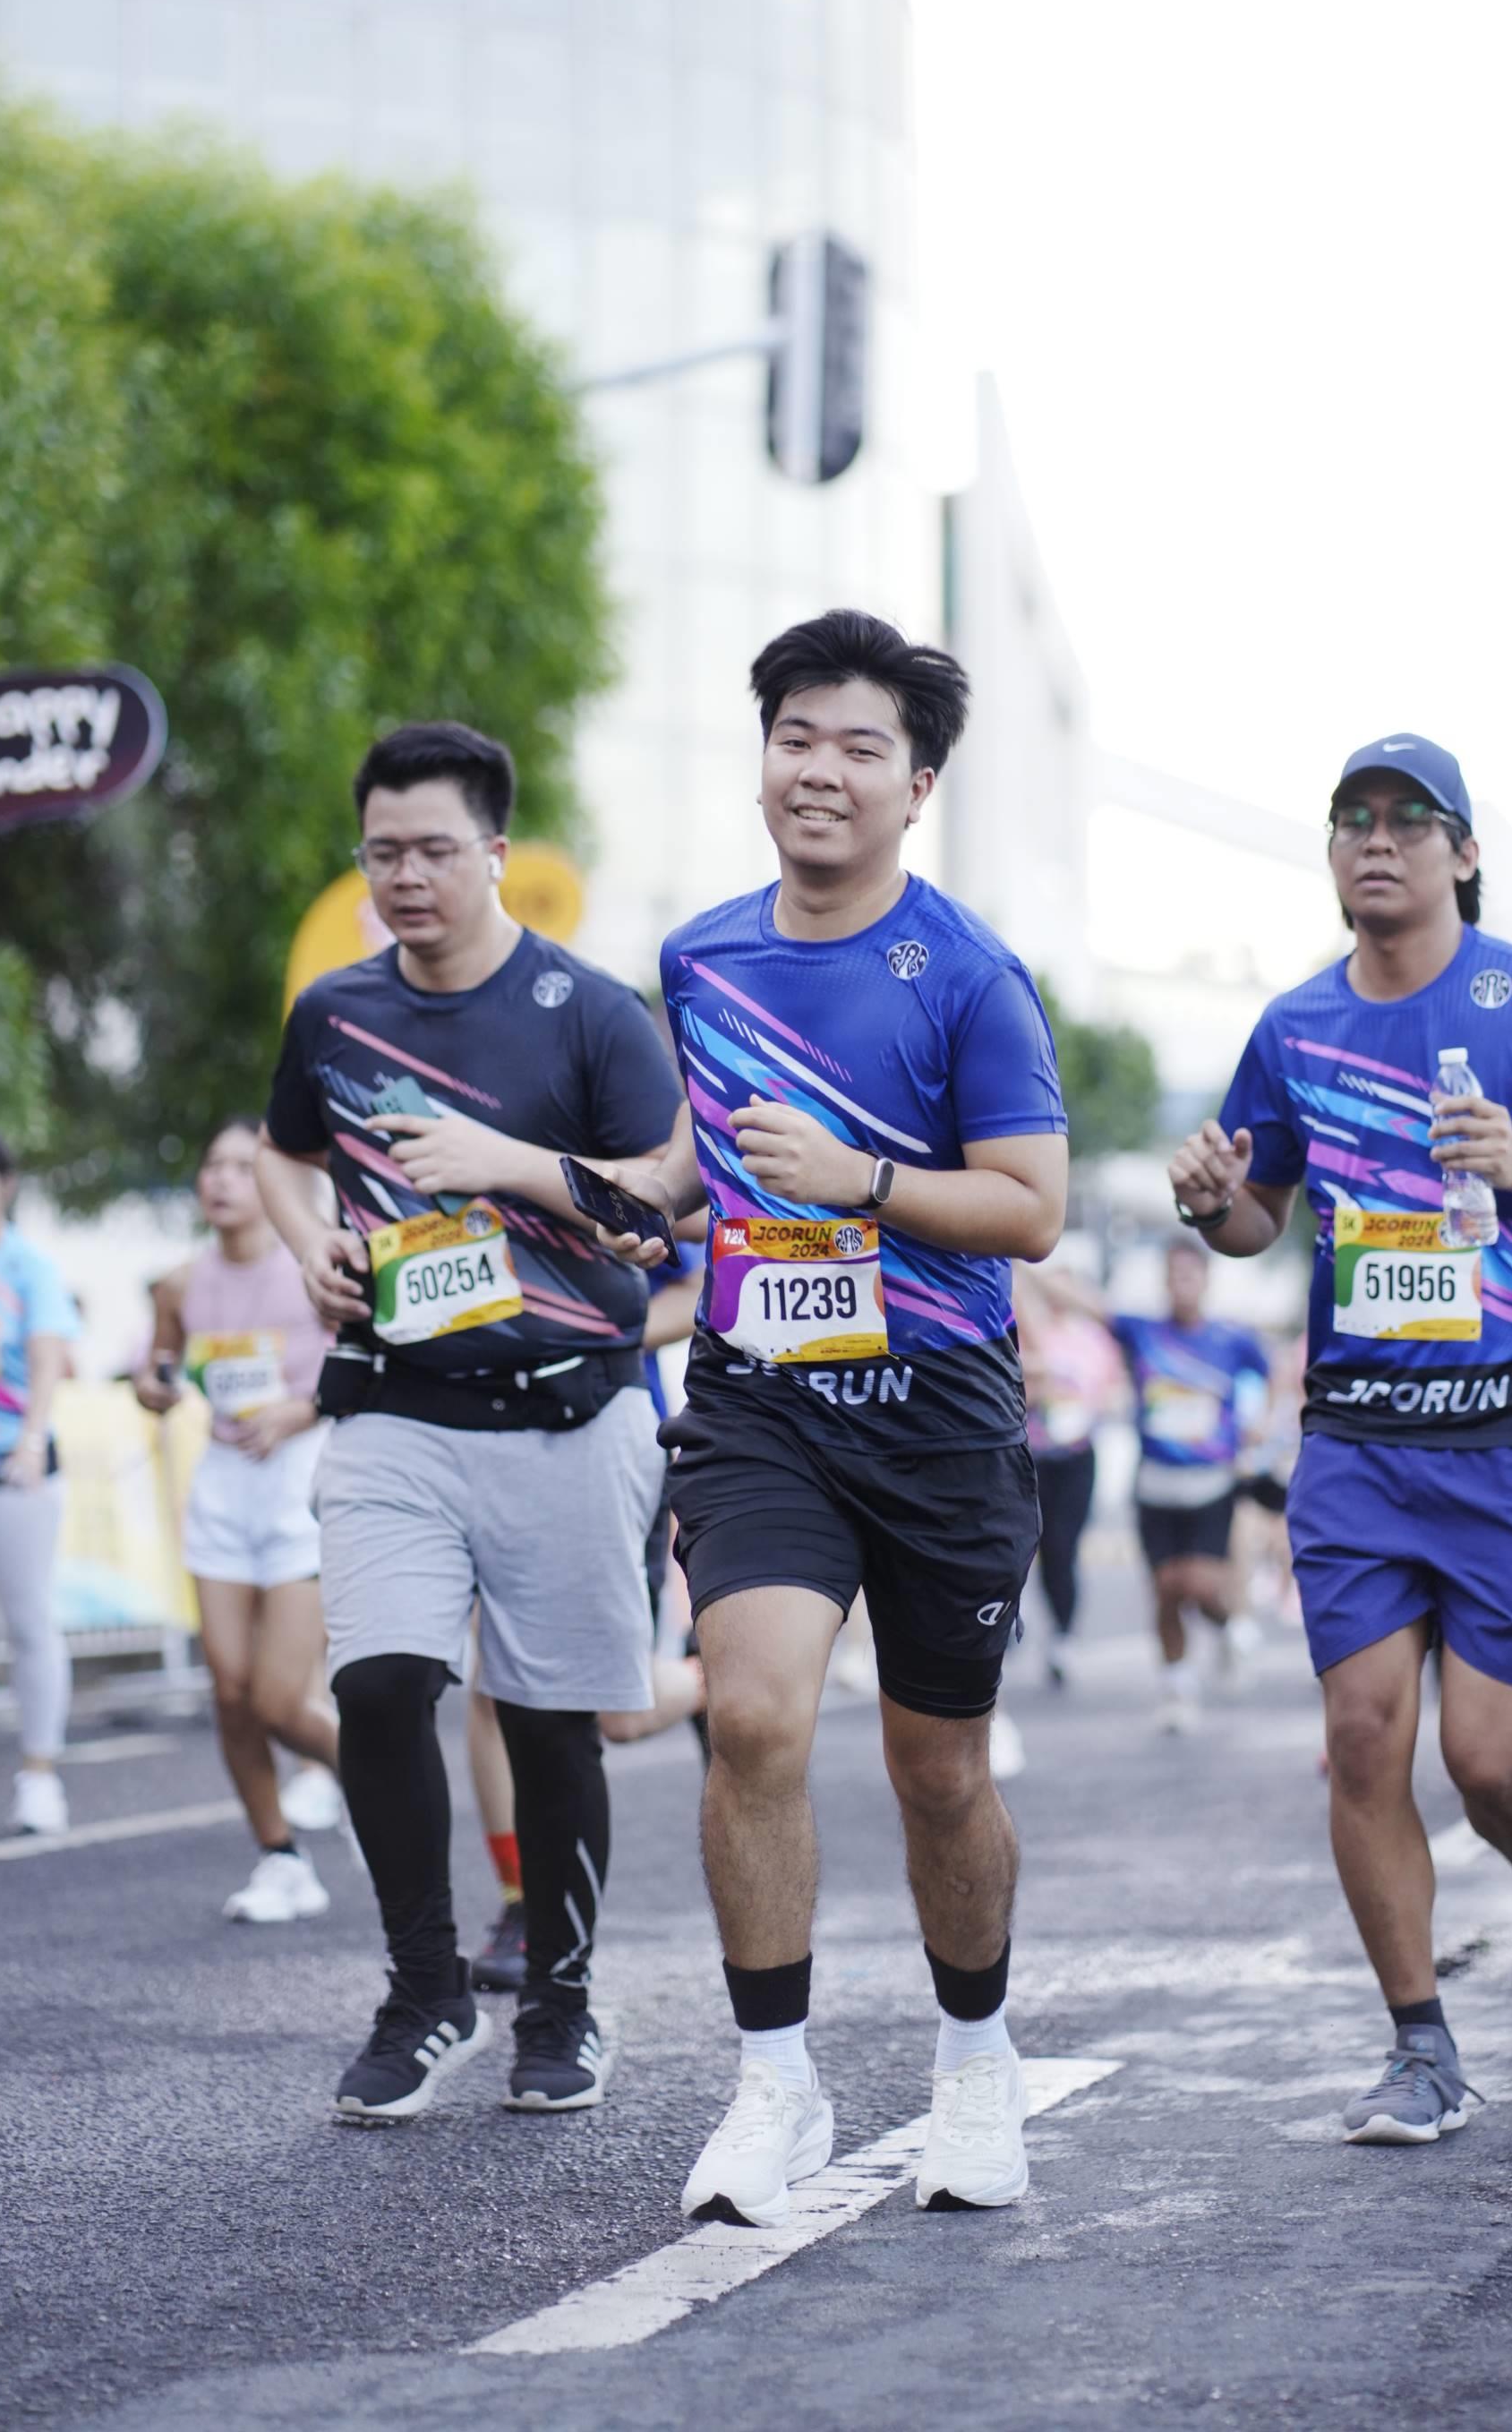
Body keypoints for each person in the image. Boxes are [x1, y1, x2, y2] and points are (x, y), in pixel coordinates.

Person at [599, 610, 1069, 2227]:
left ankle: (976, 2056)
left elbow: (1032, 1207)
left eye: (860, 746)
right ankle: (774, 2086)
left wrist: (862, 1179)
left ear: (916, 786)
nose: (819, 768)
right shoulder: (703, 958)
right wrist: (645, 1201)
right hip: (763, 1403)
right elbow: (701, 1153)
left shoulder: (972, 976)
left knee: (938, 1770)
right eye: (795, 736)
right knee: (751, 1720)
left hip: (938, 1416)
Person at [1169, 733, 1512, 2145]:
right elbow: (1258, 1217)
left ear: (1462, 853)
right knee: (1360, 1737)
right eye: (1353, 819)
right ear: (1334, 854)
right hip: (1363, 1435)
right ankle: (1420, 2047)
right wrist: (1211, 1201)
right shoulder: (1294, 1027)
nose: (1376, 839)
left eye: (1408, 818)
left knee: (1490, 1764)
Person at [255, 720, 685, 2122]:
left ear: (496, 852)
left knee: (552, 1726)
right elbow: (283, 1153)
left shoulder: (591, 1012)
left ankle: (560, 2003)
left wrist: (513, 1163)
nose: (407, 878)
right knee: (379, 1687)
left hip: (567, 1414)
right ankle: (425, 1990)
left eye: (435, 850)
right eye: (383, 853)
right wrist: (310, 1243)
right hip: (396, 1409)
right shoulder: (333, 1012)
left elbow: (662, 1203)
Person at [469, 1236, 711, 1995]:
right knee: (493, 1683)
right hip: (475, 1437)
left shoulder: (601, 1170)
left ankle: (710, 1678)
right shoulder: (442, 1179)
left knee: (612, 1714)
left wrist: (587, 1331)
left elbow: (701, 1285)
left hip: (602, 1432)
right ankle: (523, 1905)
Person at [136, 1119, 338, 1923]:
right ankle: (280, 1857)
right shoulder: (180, 1283)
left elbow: (363, 1362)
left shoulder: (312, 1265)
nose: (219, 1180)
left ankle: (384, 1789)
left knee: (281, 1700)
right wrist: (154, 1387)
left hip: (301, 1478)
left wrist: (302, 1408)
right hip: (223, 1482)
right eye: (210, 1166)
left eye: (240, 1167)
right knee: (230, 1692)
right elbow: (156, 1365)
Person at [1108, 1237, 1271, 1726]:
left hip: (1210, 1482)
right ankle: (1177, 1688)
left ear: (1204, 1280)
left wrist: (1260, 1422)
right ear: (1164, 1281)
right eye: (1174, 1275)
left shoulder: (1232, 1340)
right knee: (1164, 1589)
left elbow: (1272, 1375)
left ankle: (1231, 1625)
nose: (1182, 1284)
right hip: (1155, 1483)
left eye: (1190, 1274)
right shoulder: (1143, 1332)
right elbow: (1086, 1306)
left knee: (1198, 1584)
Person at [0, 1126, 77, 1835]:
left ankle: (39, 1776)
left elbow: (46, 1362)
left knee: (27, 1620)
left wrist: (31, 1441)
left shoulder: (29, 1268)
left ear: (4, 1187)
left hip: (13, 1470)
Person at [1012, 1263, 1125, 1690]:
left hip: (1077, 1456)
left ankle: (1063, 1635)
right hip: (1031, 1454)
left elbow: (1114, 1392)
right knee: (1020, 1543)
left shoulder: (1094, 1340)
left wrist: (1091, 1406)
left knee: (1062, 1547)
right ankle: (1008, 1617)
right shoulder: (1027, 1331)